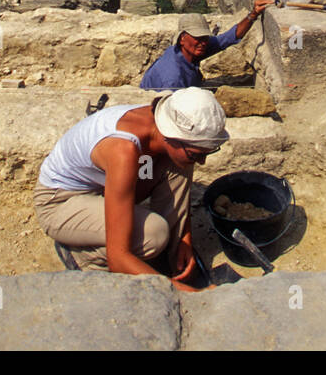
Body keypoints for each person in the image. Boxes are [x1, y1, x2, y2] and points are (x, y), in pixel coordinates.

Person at [33, 87, 227, 287]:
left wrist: (184, 240)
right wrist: (187, 295)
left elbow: (178, 164)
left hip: (103, 186)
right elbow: (119, 258)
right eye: (196, 154)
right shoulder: (123, 151)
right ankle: (84, 256)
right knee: (155, 234)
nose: (202, 162)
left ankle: (171, 256)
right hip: (59, 202)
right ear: (172, 137)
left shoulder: (161, 122)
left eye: (206, 153)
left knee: (179, 163)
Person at [140, 1, 272, 90]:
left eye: (205, 38)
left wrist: (254, 13)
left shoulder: (190, 49)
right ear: (182, 39)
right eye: (197, 38)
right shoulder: (173, 78)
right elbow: (174, 112)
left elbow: (229, 37)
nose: (202, 43)